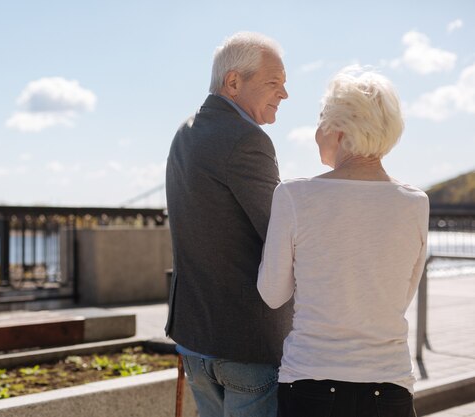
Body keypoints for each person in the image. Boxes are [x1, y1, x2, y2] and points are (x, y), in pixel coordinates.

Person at [257, 66, 429, 417]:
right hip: (390, 383)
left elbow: (272, 294)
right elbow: (400, 296)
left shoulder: (294, 195)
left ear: (338, 129)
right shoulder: (415, 203)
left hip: (310, 383)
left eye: (321, 119)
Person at [165, 32, 293, 417]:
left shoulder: (184, 133)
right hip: (245, 344)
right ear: (234, 82)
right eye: (274, 83)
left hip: (194, 339)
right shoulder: (247, 139)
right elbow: (281, 234)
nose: (284, 95)